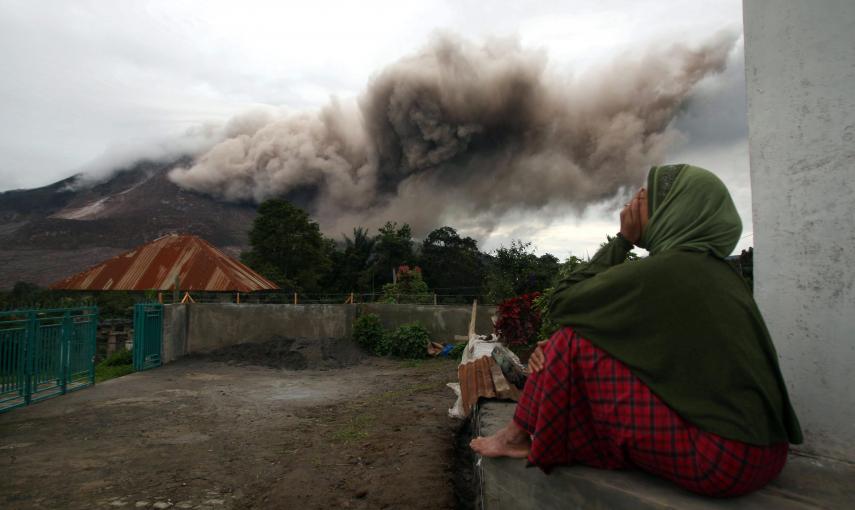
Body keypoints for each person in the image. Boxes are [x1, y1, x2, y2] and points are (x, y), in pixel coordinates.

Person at [470, 164, 802, 497]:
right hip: (769, 455)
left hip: (722, 459)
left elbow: (562, 302)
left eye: (645, 197)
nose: (633, 205)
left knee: (570, 339)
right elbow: (638, 345)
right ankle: (528, 432)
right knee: (574, 341)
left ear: (674, 210)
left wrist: (623, 240)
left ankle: (517, 435)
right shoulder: (722, 275)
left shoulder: (670, 269)